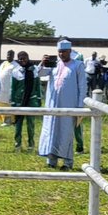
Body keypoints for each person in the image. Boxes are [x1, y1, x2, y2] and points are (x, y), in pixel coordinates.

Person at [37, 39, 88, 170]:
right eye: (59, 52)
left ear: (70, 51)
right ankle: (51, 160)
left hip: (69, 106)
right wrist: (42, 63)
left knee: (66, 133)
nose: (61, 54)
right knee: (51, 131)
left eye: (64, 52)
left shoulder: (78, 65)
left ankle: (67, 162)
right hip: (52, 105)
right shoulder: (54, 65)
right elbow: (38, 73)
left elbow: (82, 86)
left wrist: (80, 106)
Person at [11, 51, 42, 151]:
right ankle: (17, 144)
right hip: (19, 101)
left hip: (31, 100)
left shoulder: (34, 69)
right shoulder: (16, 71)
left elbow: (37, 86)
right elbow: (13, 88)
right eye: (20, 58)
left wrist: (38, 98)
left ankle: (31, 145)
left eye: (24, 58)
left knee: (30, 124)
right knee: (18, 124)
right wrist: (13, 101)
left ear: (28, 58)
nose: (22, 60)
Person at [0, 50, 16, 127]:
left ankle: (9, 121)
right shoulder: (4, 63)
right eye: (8, 54)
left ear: (13, 56)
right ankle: (3, 119)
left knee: (8, 105)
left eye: (10, 55)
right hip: (2, 88)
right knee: (2, 104)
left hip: (9, 88)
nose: (8, 56)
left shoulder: (15, 65)